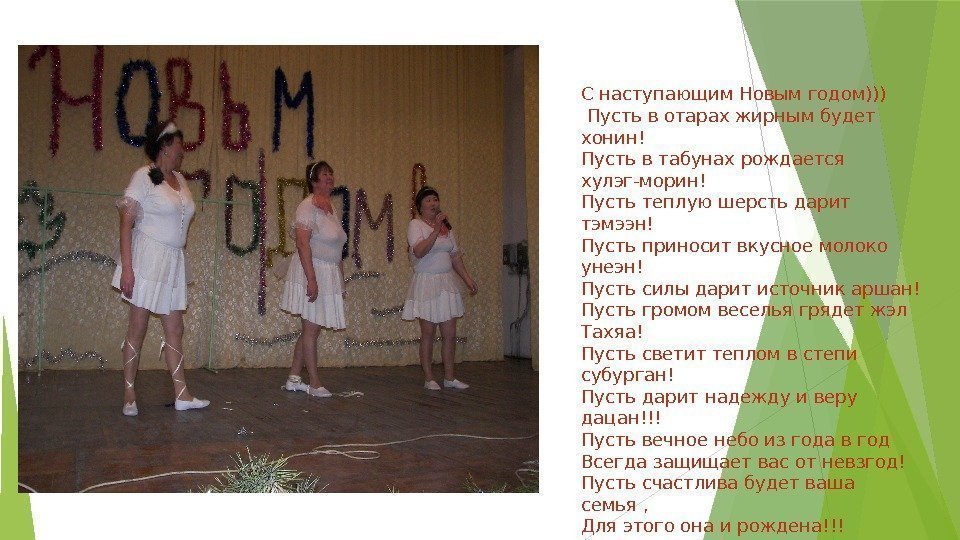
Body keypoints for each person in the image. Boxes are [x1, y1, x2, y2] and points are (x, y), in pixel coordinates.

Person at [112, 120, 209, 416]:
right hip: (148, 258)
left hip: (173, 261)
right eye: (179, 143)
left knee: (175, 328)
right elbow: (126, 224)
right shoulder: (144, 176)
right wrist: (128, 269)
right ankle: (129, 392)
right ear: (165, 146)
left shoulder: (180, 179)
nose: (183, 150)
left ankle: (182, 394)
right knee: (138, 326)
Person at [279, 161, 346, 397]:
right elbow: (302, 243)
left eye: (331, 173)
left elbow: (337, 248)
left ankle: (294, 378)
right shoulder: (307, 206)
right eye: (324, 174)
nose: (329, 177)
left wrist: (340, 280)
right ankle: (315, 383)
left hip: (328, 272)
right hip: (312, 270)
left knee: (312, 329)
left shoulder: (330, 208)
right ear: (314, 180)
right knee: (310, 329)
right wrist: (311, 279)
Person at [401, 186, 478, 390]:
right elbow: (419, 251)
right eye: (428, 200)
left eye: (435, 199)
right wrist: (435, 229)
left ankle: (450, 377)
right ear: (420, 206)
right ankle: (429, 378)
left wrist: (468, 279)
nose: (433, 203)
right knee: (428, 332)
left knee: (450, 333)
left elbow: (455, 257)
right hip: (427, 283)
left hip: (446, 283)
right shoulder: (415, 225)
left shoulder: (447, 228)